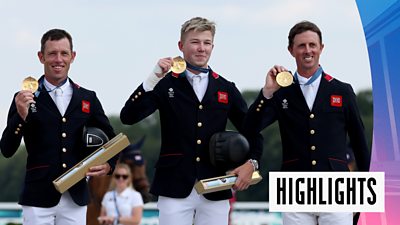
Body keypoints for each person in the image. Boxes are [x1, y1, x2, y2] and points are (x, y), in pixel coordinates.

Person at [120, 17, 262, 225]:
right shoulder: (164, 83)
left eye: (206, 43)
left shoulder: (226, 88)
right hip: (173, 186)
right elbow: (128, 117)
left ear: (213, 46)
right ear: (181, 45)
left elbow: (253, 130)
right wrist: (153, 78)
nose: (201, 48)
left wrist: (252, 163)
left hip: (215, 186)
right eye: (195, 42)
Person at [243, 21, 371, 225]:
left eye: (312, 45)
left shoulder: (342, 90)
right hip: (293, 186)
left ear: (321, 48)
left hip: (336, 187)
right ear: (291, 50)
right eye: (301, 46)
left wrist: (363, 195)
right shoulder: (280, 92)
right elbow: (250, 127)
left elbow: (359, 143)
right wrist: (266, 93)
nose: (307, 50)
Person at [0, 29, 116, 225]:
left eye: (64, 53)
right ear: (41, 57)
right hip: (38, 195)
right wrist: (20, 116)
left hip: (76, 196)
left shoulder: (88, 98)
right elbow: (7, 149)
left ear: (73, 56)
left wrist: (109, 165)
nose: (58, 59)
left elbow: (112, 141)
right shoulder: (23, 98)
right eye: (52, 53)